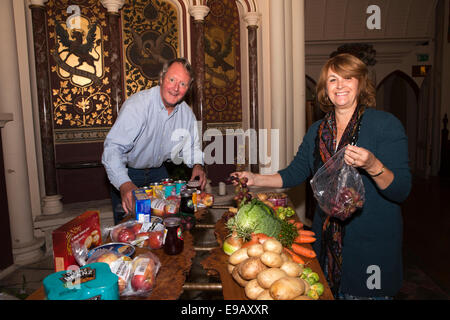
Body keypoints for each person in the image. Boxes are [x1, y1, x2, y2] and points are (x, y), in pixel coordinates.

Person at [231, 53, 411, 299]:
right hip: (326, 242)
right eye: (333, 79)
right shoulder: (318, 130)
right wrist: (255, 178)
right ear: (325, 89)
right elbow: (295, 173)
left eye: (348, 78)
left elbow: (401, 189)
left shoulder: (384, 125)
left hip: (371, 246)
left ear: (360, 83)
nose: (340, 86)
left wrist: (372, 165)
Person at [102, 57, 206, 224]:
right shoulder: (138, 105)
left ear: (188, 89)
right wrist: (124, 184)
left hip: (159, 173)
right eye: (172, 80)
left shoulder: (187, 114)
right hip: (129, 174)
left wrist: (198, 165)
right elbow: (113, 149)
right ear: (161, 78)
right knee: (130, 228)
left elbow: (192, 148)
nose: (175, 88)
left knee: (167, 222)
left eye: (183, 84)